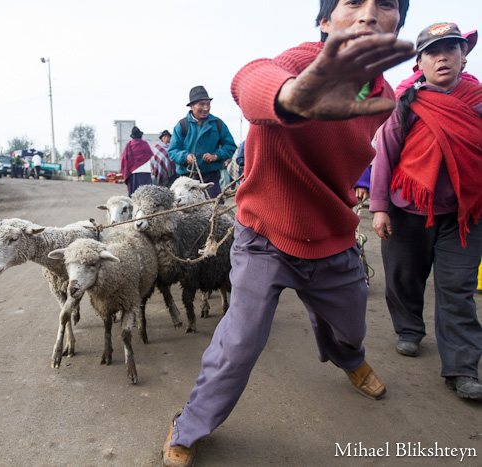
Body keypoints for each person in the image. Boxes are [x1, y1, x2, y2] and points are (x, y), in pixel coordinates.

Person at [161, 1, 415, 465]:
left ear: (397, 23)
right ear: (324, 21)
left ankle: (350, 360)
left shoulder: (385, 98)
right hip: (265, 236)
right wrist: (289, 97)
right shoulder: (301, 65)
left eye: (387, 4)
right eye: (352, 2)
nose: (369, 13)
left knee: (351, 324)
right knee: (240, 341)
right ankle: (192, 423)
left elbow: (365, 155)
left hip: (331, 237)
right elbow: (250, 77)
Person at [370, 23, 482, 401]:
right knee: (404, 276)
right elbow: (384, 155)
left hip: (465, 214)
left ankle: (462, 368)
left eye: (450, 49)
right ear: (420, 62)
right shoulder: (406, 103)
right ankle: (409, 329)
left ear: (463, 55)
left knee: (458, 289)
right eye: (432, 52)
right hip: (408, 207)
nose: (442, 57)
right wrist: (380, 207)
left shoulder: (479, 101)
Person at [168, 86, 237, 199]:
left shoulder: (218, 124)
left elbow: (230, 146)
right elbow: (172, 151)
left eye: (208, 104)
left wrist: (215, 156)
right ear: (191, 106)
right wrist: (185, 156)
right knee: (185, 211)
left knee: (213, 208)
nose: (206, 108)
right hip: (186, 179)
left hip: (211, 178)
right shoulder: (182, 125)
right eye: (201, 104)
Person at [119, 126, 153, 196]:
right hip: (145, 172)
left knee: (134, 195)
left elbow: (124, 160)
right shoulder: (145, 144)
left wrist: (125, 170)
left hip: (133, 173)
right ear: (140, 135)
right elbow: (150, 155)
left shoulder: (129, 145)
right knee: (147, 195)